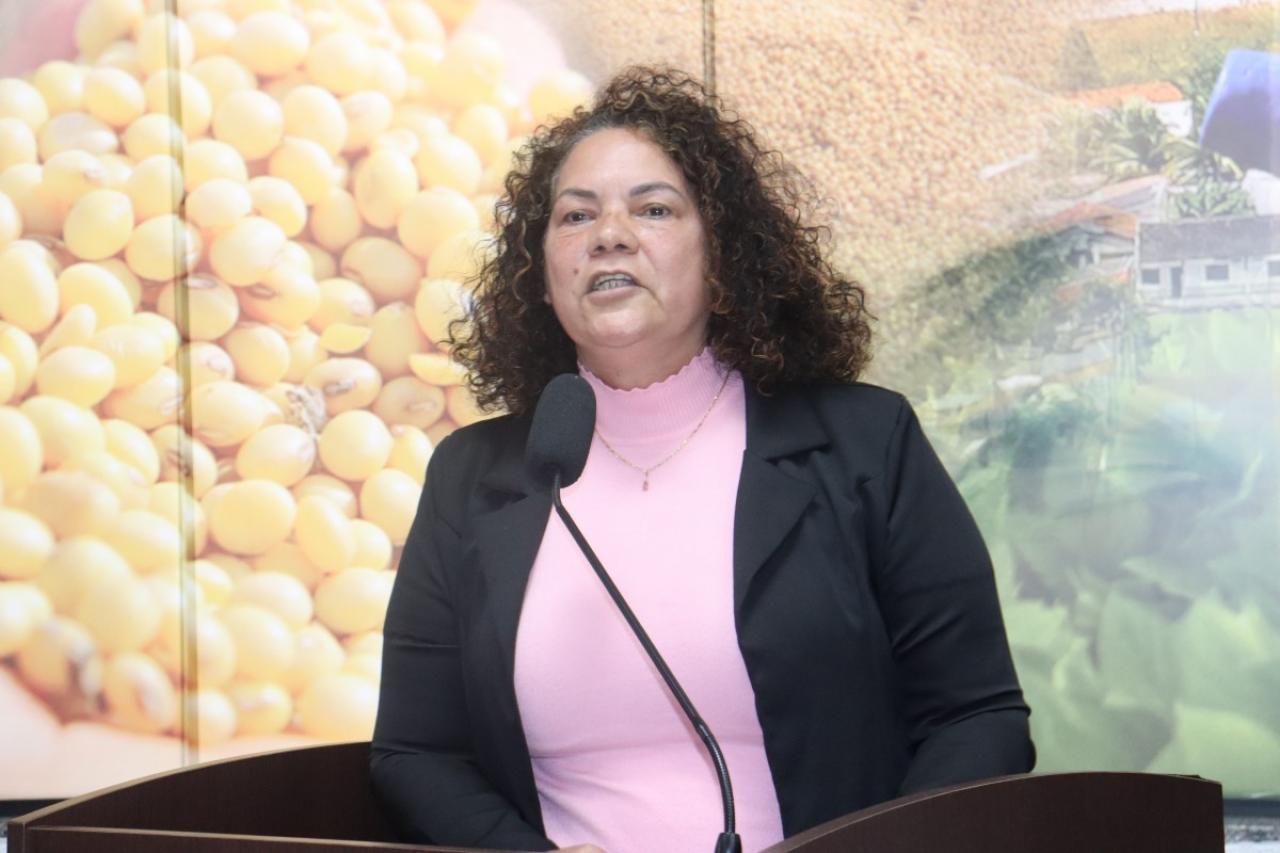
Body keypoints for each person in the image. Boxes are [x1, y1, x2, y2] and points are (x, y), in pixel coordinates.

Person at [370, 66, 1034, 853]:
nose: (609, 235)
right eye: (576, 215)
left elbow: (977, 716)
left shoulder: (863, 442)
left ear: (723, 256)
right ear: (540, 275)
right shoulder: (472, 476)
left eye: (653, 208)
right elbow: (418, 751)